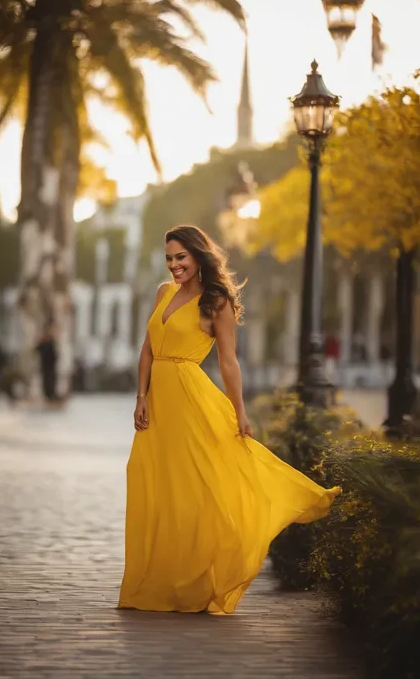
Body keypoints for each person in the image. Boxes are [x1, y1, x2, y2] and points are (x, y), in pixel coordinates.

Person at [118, 226, 341, 615]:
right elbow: (147, 350)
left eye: (181, 257)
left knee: (197, 489)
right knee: (154, 484)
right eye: (169, 258)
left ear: (198, 256)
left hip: (192, 399)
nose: (174, 266)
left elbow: (228, 362)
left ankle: (200, 579)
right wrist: (141, 396)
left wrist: (240, 410)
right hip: (158, 404)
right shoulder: (163, 293)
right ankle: (155, 582)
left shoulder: (215, 302)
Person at [36, 322, 59, 405]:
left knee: (51, 380)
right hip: (46, 364)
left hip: (51, 365)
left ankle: (51, 395)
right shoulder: (45, 341)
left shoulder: (52, 341)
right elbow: (38, 349)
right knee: (47, 380)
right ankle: (48, 395)